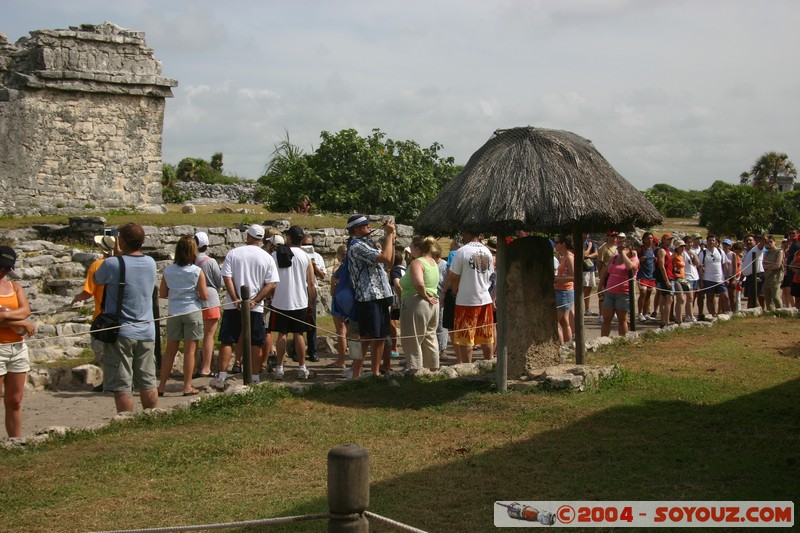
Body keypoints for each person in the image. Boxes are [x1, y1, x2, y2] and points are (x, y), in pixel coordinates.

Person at [94, 223, 159, 413]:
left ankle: (126, 421)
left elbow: (98, 279)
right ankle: (152, 417)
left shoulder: (113, 263)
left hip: (121, 330)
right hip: (146, 329)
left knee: (122, 383)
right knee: (148, 380)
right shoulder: (151, 262)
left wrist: (114, 254)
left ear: (121, 241)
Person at [210, 224, 279, 390]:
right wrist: (254, 300)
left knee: (227, 340)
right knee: (256, 342)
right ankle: (254, 377)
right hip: (254, 306)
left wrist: (235, 299)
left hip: (235, 305)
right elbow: (271, 284)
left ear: (248, 237)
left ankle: (221, 376)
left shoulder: (234, 253)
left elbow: (227, 277)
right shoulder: (267, 257)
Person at [157, 236, 208, 397]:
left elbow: (163, 293)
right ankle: (187, 386)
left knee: (170, 350)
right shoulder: (196, 271)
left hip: (174, 311)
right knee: (190, 351)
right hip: (191, 310)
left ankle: (162, 386)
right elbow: (204, 295)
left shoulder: (168, 270)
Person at [346, 214, 396, 378]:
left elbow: (390, 261)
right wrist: (388, 235)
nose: (369, 227)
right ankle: (356, 374)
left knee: (380, 336)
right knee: (366, 336)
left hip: (380, 295)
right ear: (357, 229)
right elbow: (385, 257)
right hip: (369, 297)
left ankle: (375, 373)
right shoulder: (357, 246)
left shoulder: (367, 243)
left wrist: (391, 240)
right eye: (366, 225)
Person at [271, 225, 315, 380]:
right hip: (300, 301)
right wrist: (311, 302)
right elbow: (311, 282)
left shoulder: (276, 255)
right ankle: (302, 367)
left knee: (282, 334)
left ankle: (279, 368)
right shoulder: (305, 257)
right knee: (299, 335)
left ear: (289, 237)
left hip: (280, 300)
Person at [0, 246, 36, 437]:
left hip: (16, 347)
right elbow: (23, 317)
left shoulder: (14, 286)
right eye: (2, 268)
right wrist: (21, 322)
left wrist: (7, 317)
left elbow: (26, 310)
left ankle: (15, 442)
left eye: (7, 269)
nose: (4, 272)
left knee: (15, 400)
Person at [449, 229, 494, 363]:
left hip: (466, 300)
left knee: (465, 336)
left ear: (467, 234)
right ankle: (488, 363)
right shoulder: (487, 251)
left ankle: (467, 367)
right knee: (486, 335)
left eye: (463, 233)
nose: (462, 236)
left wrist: (454, 291)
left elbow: (454, 276)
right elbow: (490, 275)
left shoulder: (461, 251)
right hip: (485, 298)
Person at [71, 234, 116, 366]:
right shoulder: (125, 263)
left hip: (103, 316)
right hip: (123, 315)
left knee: (102, 355)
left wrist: (77, 298)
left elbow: (88, 292)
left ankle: (106, 382)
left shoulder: (97, 265)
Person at [399, 236, 441, 370]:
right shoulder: (433, 262)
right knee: (430, 337)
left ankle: (415, 369)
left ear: (417, 248)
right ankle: (433, 369)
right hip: (433, 304)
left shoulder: (417, 263)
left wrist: (425, 296)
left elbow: (419, 283)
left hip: (417, 303)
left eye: (411, 248)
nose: (410, 251)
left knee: (412, 339)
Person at [599, 237, 639, 337]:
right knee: (607, 318)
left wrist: (624, 254)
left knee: (622, 319)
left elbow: (630, 267)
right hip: (610, 292)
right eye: (620, 246)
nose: (621, 248)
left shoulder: (633, 258)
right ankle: (603, 340)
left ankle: (623, 340)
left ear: (630, 248)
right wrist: (600, 286)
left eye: (624, 247)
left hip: (624, 294)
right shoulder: (614, 258)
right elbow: (605, 272)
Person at [194, 231, 221, 377]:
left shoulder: (189, 260)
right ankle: (206, 367)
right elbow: (220, 282)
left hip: (194, 299)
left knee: (193, 337)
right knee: (209, 336)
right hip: (210, 299)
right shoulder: (210, 262)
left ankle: (191, 368)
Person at [301, 233, 326, 363]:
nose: (307, 247)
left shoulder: (317, 257)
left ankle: (313, 351)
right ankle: (297, 351)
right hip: (299, 289)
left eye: (309, 245)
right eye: (304, 245)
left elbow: (322, 275)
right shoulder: (296, 255)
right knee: (297, 321)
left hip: (311, 289)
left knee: (311, 321)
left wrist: (314, 265)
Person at [697, 234, 729, 320]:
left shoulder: (720, 251)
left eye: (713, 240)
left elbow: (724, 264)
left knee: (725, 296)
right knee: (710, 298)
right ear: (707, 242)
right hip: (708, 278)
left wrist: (727, 277)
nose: (711, 242)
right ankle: (712, 315)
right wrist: (701, 280)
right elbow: (700, 267)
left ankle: (727, 313)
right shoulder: (703, 253)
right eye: (710, 240)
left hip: (720, 278)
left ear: (715, 242)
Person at [327, 245, 348, 369]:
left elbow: (332, 289)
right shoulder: (351, 266)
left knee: (341, 331)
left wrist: (333, 283)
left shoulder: (341, 269)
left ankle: (341, 360)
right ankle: (356, 362)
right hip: (351, 301)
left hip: (340, 300)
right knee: (352, 332)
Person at [554, 235, 575, 345]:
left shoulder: (570, 258)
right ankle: (567, 345)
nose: (555, 244)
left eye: (557, 242)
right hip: (561, 291)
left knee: (554, 322)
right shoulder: (564, 257)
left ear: (563, 244)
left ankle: (561, 346)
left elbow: (574, 277)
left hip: (564, 292)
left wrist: (557, 279)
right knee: (564, 322)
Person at [654, 234, 674, 328]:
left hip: (670, 275)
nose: (670, 241)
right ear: (663, 240)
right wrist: (666, 280)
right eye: (668, 239)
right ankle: (666, 321)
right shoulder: (662, 250)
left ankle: (664, 321)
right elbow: (661, 266)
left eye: (671, 239)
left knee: (665, 299)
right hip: (665, 277)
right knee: (669, 299)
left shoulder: (668, 251)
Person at [636, 232, 656, 322]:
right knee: (643, 293)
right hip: (642, 274)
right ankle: (639, 313)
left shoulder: (653, 249)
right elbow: (634, 261)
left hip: (651, 275)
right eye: (648, 238)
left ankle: (645, 313)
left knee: (648, 294)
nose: (650, 240)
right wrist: (640, 260)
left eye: (651, 238)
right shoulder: (640, 250)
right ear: (643, 239)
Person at [762, 235, 784, 311]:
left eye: (771, 241)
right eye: (767, 242)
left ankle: (781, 312)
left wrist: (768, 266)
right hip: (767, 277)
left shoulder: (779, 251)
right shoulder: (766, 253)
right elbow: (763, 265)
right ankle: (770, 313)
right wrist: (771, 265)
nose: (769, 243)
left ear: (775, 242)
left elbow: (778, 265)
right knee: (768, 298)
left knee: (776, 297)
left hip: (776, 278)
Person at [670, 239, 688, 324]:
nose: (683, 248)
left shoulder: (681, 256)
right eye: (681, 246)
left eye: (684, 246)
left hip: (682, 278)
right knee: (680, 298)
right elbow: (669, 265)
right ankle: (678, 319)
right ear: (677, 247)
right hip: (676, 278)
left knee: (681, 299)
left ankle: (679, 318)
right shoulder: (674, 255)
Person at [582, 233, 598, 315]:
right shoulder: (580, 242)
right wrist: (589, 247)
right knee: (582, 289)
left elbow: (596, 254)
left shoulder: (590, 241)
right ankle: (580, 308)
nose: (586, 235)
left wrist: (588, 256)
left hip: (590, 268)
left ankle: (587, 309)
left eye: (588, 233)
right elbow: (584, 254)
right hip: (583, 270)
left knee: (589, 289)